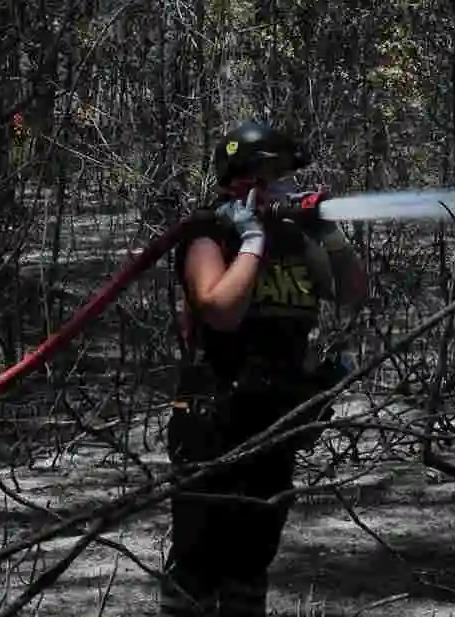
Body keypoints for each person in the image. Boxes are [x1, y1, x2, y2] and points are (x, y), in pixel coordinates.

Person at [160, 121, 367, 617]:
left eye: (288, 175)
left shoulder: (296, 242)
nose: (285, 186)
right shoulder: (211, 233)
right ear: (241, 181)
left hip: (277, 417)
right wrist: (250, 238)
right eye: (272, 175)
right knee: (199, 558)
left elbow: (352, 295)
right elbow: (221, 308)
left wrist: (331, 237)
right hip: (215, 416)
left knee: (252, 559)